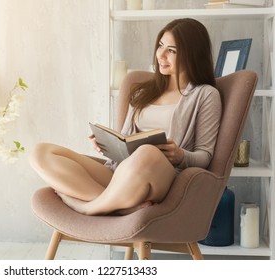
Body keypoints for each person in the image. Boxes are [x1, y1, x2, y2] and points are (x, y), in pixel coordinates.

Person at [29, 18, 222, 216]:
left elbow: (205, 156)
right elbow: (126, 139)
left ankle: (87, 208)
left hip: (161, 178)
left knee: (147, 152)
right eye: (161, 46)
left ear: (192, 55)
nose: (161, 55)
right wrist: (108, 144)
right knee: (41, 152)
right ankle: (118, 208)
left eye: (171, 51)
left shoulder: (205, 95)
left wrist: (181, 155)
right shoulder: (142, 92)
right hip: (121, 174)